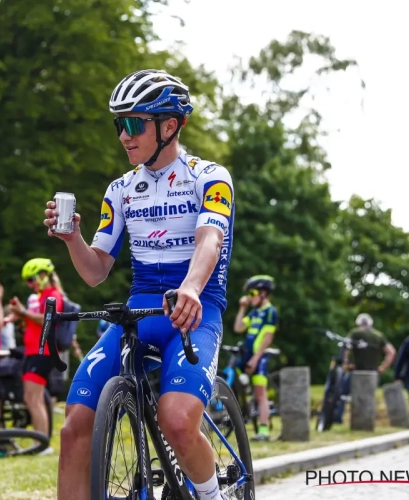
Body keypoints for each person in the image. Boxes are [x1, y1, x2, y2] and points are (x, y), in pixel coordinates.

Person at [44, 69, 234, 500]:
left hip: (194, 308)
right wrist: (72, 236)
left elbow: (210, 238)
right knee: (75, 424)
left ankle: (211, 495)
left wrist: (189, 288)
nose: (124, 137)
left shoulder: (210, 176)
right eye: (119, 125)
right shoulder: (122, 190)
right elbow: (95, 272)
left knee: (179, 420)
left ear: (169, 126)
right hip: (141, 310)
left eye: (134, 124)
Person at [8, 257, 64, 453]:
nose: (29, 284)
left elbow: (48, 320)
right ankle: (41, 442)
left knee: (33, 398)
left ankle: (42, 443)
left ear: (43, 275)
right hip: (33, 350)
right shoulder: (39, 297)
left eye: (31, 279)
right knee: (32, 398)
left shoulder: (53, 295)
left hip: (44, 351)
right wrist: (21, 318)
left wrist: (23, 312)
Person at [233, 275, 277, 441]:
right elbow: (238, 327)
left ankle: (264, 431)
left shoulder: (270, 312)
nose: (249, 297)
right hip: (247, 355)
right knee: (235, 380)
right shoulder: (254, 313)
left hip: (260, 357)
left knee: (260, 393)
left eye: (252, 293)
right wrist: (243, 308)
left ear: (263, 293)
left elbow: (268, 338)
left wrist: (255, 359)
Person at [333, 313, 395, 423]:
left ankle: (337, 418)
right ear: (370, 323)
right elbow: (391, 352)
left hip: (356, 371)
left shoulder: (355, 333)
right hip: (373, 372)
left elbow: (345, 348)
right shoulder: (378, 335)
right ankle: (368, 420)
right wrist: (382, 367)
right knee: (369, 397)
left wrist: (346, 364)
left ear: (359, 323)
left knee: (342, 393)